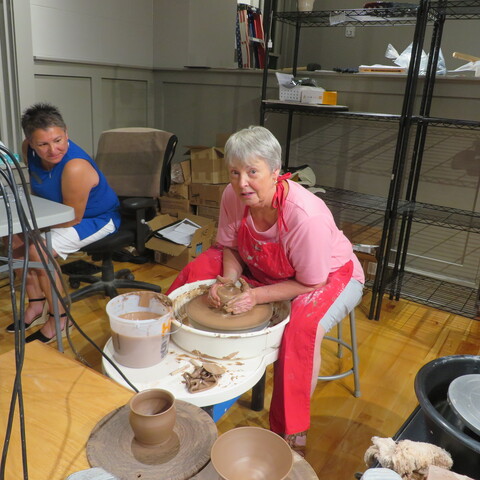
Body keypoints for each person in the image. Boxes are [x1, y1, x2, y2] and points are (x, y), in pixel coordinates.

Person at [166, 125, 365, 456]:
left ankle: (291, 430)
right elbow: (228, 246)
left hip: (329, 275)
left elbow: (310, 282)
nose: (242, 182)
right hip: (266, 268)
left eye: (252, 172)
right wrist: (229, 282)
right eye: (234, 172)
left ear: (276, 172)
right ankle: (165, 352)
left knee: (302, 326)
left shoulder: (305, 216)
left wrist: (255, 296)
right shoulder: (233, 196)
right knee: (199, 268)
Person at [6, 103, 121, 343]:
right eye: (43, 144)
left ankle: (59, 317)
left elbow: (73, 218)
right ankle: (36, 304)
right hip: (56, 214)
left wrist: (32, 228)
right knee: (12, 238)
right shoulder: (28, 149)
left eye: (59, 140)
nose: (53, 150)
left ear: (66, 132)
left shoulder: (75, 167)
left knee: (37, 251)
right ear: (30, 142)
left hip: (95, 219)